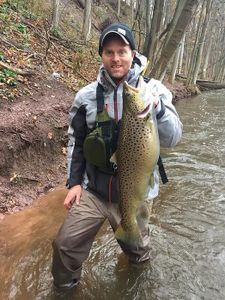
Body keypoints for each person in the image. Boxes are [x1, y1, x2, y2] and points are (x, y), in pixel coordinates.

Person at [51, 23, 183, 290]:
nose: (116, 58)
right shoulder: (86, 96)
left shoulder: (154, 90)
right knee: (64, 245)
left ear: (133, 53)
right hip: (95, 189)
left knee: (138, 254)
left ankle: (135, 285)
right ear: (101, 55)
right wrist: (74, 183)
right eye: (109, 52)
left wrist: (157, 110)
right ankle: (64, 290)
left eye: (122, 51)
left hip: (136, 191)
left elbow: (173, 138)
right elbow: (76, 141)